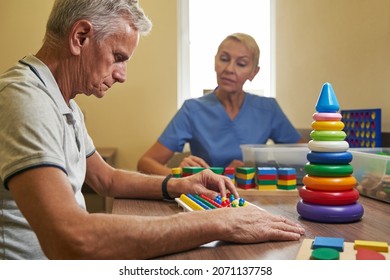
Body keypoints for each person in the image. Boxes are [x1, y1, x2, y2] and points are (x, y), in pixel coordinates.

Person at [0, 0, 304, 260]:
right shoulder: (24, 98)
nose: (121, 76)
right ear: (80, 37)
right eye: (118, 58)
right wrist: (220, 222)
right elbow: (70, 239)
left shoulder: (64, 104)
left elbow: (106, 178)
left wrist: (178, 185)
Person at [137, 33, 305, 176]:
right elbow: (145, 163)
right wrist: (183, 177)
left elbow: (304, 159)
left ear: (254, 72)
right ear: (215, 61)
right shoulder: (192, 110)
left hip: (254, 200)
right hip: (208, 199)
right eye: (224, 59)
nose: (229, 69)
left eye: (241, 64)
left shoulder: (268, 109)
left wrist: (254, 169)